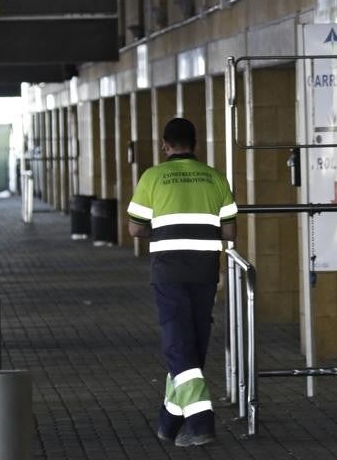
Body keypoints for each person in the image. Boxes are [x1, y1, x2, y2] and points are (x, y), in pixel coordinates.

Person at [127, 117, 237, 447]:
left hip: (168, 272)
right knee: (193, 343)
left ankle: (201, 422)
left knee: (178, 344)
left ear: (165, 144)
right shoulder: (216, 178)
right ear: (196, 143)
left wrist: (160, 230)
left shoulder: (153, 176)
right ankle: (170, 420)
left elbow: (134, 229)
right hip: (204, 271)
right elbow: (230, 232)